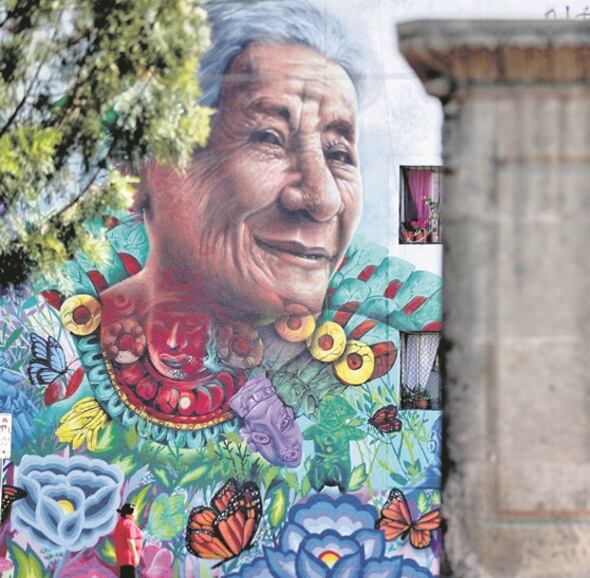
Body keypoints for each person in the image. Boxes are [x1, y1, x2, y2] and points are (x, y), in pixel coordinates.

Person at [53, 0, 377, 446]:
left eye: (339, 154)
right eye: (269, 137)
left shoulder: (367, 379)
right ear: (141, 163)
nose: (323, 199)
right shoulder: (41, 345)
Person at [113, 503, 144, 578]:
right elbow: (130, 540)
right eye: (134, 512)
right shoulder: (129, 523)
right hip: (128, 556)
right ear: (127, 514)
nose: (136, 514)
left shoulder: (121, 522)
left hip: (123, 556)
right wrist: (135, 555)